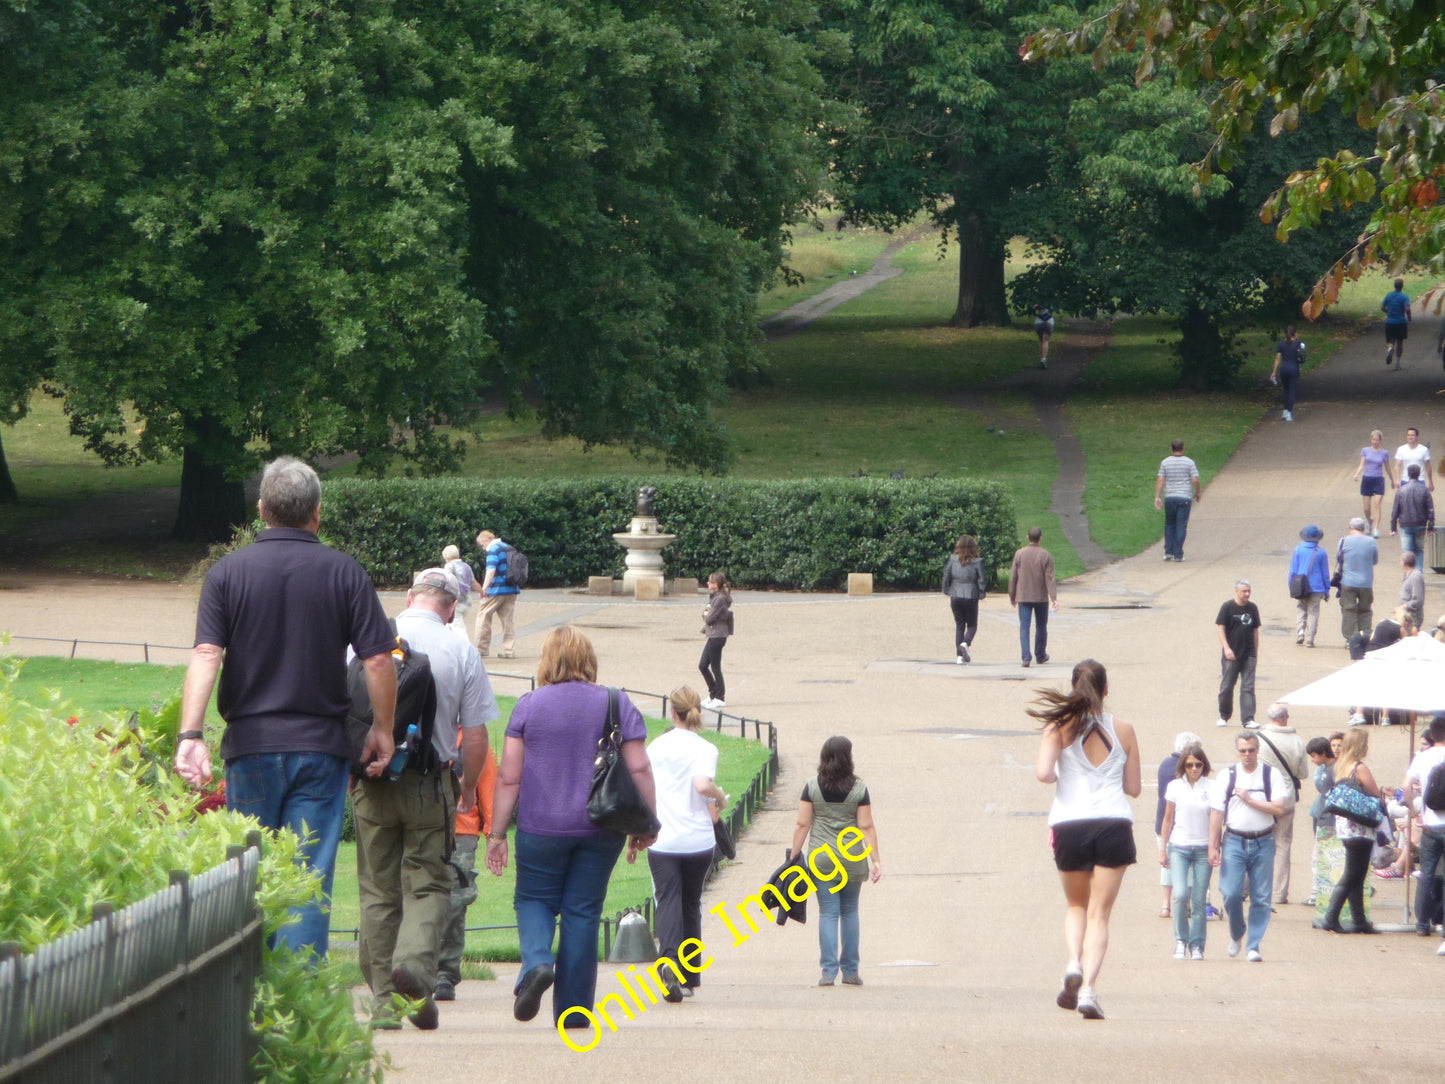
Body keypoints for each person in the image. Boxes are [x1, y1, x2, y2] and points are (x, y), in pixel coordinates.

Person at [175, 456, 396, 960]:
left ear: (261, 510)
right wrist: (383, 728)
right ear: (316, 514)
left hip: (251, 747)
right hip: (321, 748)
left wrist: (190, 736)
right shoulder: (344, 571)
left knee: (250, 874)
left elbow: (207, 654)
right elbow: (379, 659)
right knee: (305, 877)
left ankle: (252, 990)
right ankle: (296, 1001)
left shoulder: (227, 574)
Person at [484, 626, 656, 1027]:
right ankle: (575, 1011)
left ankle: (538, 964)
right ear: (588, 660)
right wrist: (646, 822)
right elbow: (639, 767)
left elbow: (509, 777)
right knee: (582, 911)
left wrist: (496, 834)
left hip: (540, 827)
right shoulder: (617, 702)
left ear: (547, 661)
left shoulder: (528, 706)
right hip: (601, 827)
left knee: (533, 899)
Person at [356, 567, 499, 1029]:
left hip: (372, 780)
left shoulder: (370, 637)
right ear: (452, 606)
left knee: (378, 889)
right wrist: (469, 789)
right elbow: (475, 737)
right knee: (430, 882)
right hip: (428, 780)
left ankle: (382, 1002)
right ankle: (415, 966)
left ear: (409, 596)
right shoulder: (459, 649)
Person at [1032, 659, 1141, 1020]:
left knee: (1076, 906)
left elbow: (1043, 774)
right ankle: (1090, 991)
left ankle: (1073, 963)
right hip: (1113, 821)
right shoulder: (1124, 729)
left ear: (1072, 689)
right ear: (1106, 690)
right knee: (1100, 914)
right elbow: (1134, 788)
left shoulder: (1058, 727)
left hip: (1070, 822)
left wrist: (1064, 774)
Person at [641, 685, 729, 1000]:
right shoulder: (706, 748)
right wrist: (719, 796)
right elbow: (702, 784)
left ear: (672, 712)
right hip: (697, 840)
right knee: (691, 905)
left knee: (667, 901)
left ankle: (668, 959)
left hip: (663, 839)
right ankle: (690, 978)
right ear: (696, 713)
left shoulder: (655, 747)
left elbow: (646, 791)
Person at [791, 735, 882, 987]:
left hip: (822, 859)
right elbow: (866, 826)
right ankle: (851, 971)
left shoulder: (812, 786)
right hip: (852, 858)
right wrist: (876, 860)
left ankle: (828, 972)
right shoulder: (859, 789)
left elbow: (802, 824)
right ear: (848, 758)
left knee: (828, 913)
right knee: (850, 911)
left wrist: (793, 855)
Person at [1209, 732, 1286, 961]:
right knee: (1231, 892)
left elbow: (1279, 808)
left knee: (1261, 896)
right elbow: (1216, 812)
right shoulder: (1227, 776)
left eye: (1251, 750)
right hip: (1234, 839)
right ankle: (1237, 931)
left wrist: (1250, 800)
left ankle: (1253, 945)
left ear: (1257, 750)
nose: (1247, 754)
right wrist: (1212, 845)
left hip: (1264, 839)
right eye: (1243, 750)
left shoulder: (1271, 775)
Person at [437, 732, 498, 1003]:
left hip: (461, 834)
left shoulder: (474, 740)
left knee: (454, 903)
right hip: (420, 829)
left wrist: (494, 836)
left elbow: (490, 789)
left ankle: (445, 974)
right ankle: (416, 965)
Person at [1320, 730, 1382, 934]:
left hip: (1345, 825)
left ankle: (1359, 919)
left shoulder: (1340, 766)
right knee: (1353, 874)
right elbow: (1374, 793)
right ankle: (1331, 917)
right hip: (1360, 827)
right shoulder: (1359, 767)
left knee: (1357, 874)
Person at [1159, 743, 1213, 960]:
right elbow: (1168, 818)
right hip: (1179, 845)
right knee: (1180, 895)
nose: (1194, 769)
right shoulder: (1174, 786)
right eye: (1189, 764)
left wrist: (1215, 846)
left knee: (1199, 899)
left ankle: (1197, 944)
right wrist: (1163, 849)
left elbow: (1216, 819)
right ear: (1183, 765)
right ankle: (1180, 940)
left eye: (1198, 764)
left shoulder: (1211, 786)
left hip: (1203, 847)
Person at [1256, 704, 1310, 905]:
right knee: (1283, 844)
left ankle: (1246, 887)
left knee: (1255, 840)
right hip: (1286, 797)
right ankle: (1279, 892)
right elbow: (1303, 773)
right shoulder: (1296, 741)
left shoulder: (1259, 739)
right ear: (1285, 718)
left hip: (1262, 796)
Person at [1403, 718, 1445, 945]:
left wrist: (1413, 811)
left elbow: (1406, 786)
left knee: (1426, 874)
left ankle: (1422, 923)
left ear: (1432, 736)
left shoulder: (1422, 757)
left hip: (1429, 823)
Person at [1154, 731, 1200, 919]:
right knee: (1188, 865)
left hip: (1162, 822)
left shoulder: (1165, 764)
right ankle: (1186, 904)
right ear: (1188, 750)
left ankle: (1166, 905)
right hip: (1181, 824)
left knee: (1167, 864)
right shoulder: (1185, 769)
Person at [1009, 527, 1058, 668]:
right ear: (1040, 538)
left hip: (1023, 595)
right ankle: (1040, 654)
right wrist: (1054, 598)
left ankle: (1026, 657)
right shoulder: (1045, 555)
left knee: (1024, 627)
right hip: (1040, 597)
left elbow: (1013, 577)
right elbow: (1050, 579)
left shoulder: (1019, 554)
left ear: (1027, 537)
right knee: (1041, 626)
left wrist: (1012, 595)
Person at [1215, 580, 1261, 729]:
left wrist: (1255, 652)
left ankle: (1248, 718)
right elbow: (1220, 628)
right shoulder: (1227, 607)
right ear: (1237, 592)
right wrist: (1226, 648)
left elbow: (1255, 631)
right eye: (1244, 591)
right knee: (1227, 686)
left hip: (1248, 654)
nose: (1247, 594)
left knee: (1248, 687)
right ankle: (1224, 715)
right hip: (1232, 655)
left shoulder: (1253, 608)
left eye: (1249, 591)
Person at [473, 529, 520, 659]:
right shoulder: (508, 547)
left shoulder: (493, 549)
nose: (483, 548)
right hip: (512, 588)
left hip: (496, 589)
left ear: (486, 540)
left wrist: (484, 588)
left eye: (482, 545)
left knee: (483, 617)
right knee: (508, 621)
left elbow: (491, 570)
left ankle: (481, 648)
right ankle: (509, 650)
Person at [941, 534, 987, 663]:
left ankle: (959, 657)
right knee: (972, 625)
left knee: (959, 625)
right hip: (971, 595)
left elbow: (946, 575)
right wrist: (982, 593)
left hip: (955, 594)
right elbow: (982, 580)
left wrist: (946, 589)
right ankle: (965, 644)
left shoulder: (953, 559)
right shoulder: (978, 561)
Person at [1154, 439, 1202, 562]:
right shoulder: (1189, 463)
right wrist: (1197, 492)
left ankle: (1168, 552)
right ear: (1183, 448)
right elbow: (1195, 480)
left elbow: (1161, 480)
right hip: (1184, 497)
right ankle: (1178, 554)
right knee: (1181, 524)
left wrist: (1157, 496)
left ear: (1172, 449)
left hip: (1170, 497)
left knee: (1169, 524)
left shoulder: (1165, 462)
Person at [1304, 736, 1337, 909]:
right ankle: (1321, 891)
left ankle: (1320, 892)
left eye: (1314, 756)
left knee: (1321, 858)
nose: (1312, 759)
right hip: (1323, 819)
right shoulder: (1326, 769)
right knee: (1319, 857)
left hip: (1330, 821)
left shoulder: (1334, 770)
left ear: (1323, 753)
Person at [1336, 517, 1378, 644]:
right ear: (1364, 529)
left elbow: (1339, 559)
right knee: (1365, 609)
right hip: (1366, 582)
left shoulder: (1344, 541)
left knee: (1348, 609)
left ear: (1351, 528)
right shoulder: (1371, 542)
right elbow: (1375, 561)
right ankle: (1364, 635)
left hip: (1348, 581)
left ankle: (1351, 639)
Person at [1288, 525, 1330, 648]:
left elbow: (1293, 570)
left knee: (1301, 608)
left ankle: (1300, 632)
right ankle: (1310, 638)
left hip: (1301, 585)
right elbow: (1325, 573)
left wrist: (1291, 586)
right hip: (1317, 587)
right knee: (1313, 612)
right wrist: (1326, 590)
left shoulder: (1298, 550)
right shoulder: (1321, 552)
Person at [699, 571, 732, 708]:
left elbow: (710, 617)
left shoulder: (719, 599)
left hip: (717, 635)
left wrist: (705, 614)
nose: (708, 584)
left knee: (715, 667)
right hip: (713, 634)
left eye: (711, 582)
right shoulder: (715, 597)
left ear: (717, 584)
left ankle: (720, 697)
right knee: (702, 665)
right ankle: (713, 694)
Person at [1390, 463, 1435, 562]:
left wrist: (1393, 527)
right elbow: (1430, 509)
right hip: (1421, 524)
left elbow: (1395, 510)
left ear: (1408, 474)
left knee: (1407, 552)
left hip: (1405, 524)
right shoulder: (1425, 490)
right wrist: (1430, 527)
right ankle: (1418, 573)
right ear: (1419, 474)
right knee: (1419, 550)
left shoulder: (1401, 490)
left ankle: (1408, 574)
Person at [1353, 430, 1395, 536]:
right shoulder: (1365, 450)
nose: (1375, 442)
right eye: (1373, 440)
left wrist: (1392, 480)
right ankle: (1370, 522)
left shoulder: (1384, 453)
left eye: (1377, 440)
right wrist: (1357, 474)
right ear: (1371, 440)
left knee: (1377, 504)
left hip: (1378, 480)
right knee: (1366, 508)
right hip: (1367, 479)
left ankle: (1376, 528)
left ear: (1380, 441)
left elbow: (1388, 467)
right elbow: (1362, 464)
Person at [1269, 325, 1305, 421]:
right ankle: (1289, 412)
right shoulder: (1298, 343)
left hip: (1284, 369)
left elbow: (1277, 359)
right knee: (1292, 391)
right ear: (1295, 334)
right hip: (1294, 369)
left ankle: (1285, 411)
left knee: (1286, 390)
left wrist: (1273, 372)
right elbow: (1302, 351)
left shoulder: (1281, 344)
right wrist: (1297, 338)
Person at [442, 544, 477, 639]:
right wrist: (482, 592)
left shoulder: (449, 566)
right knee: (448, 626)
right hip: (467, 601)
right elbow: (473, 583)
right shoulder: (466, 566)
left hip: (455, 601)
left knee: (458, 628)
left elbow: (446, 580)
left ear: (447, 556)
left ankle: (466, 649)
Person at [1381, 276, 1411, 369]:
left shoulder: (1389, 295)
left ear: (1394, 286)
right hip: (1400, 322)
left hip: (1389, 322)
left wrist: (1388, 312)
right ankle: (1397, 364)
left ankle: (1390, 350)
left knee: (1390, 341)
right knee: (1400, 343)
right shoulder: (1404, 296)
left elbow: (1382, 307)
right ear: (1402, 286)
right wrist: (1409, 316)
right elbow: (1407, 308)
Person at [1394, 427, 1434, 493]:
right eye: (1408, 435)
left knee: (1419, 502)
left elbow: (1428, 466)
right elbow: (1397, 465)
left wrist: (1431, 482)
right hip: (1405, 480)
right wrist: (1397, 479)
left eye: (1412, 435)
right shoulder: (1401, 449)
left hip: (1420, 480)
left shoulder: (1424, 450)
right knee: (1405, 501)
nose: (1410, 437)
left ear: (1417, 437)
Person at [1400, 551, 1426, 630]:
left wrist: (1404, 606)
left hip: (1413, 617)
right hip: (1406, 616)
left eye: (1400, 561)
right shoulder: (1408, 574)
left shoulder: (1416, 576)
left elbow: (1418, 600)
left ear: (1404, 563)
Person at [1034, 304, 1054, 369]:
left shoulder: (1037, 299)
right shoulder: (1050, 299)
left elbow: (1034, 307)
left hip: (1038, 322)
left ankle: (1042, 358)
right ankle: (1043, 359)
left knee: (1041, 340)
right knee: (1045, 341)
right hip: (1049, 321)